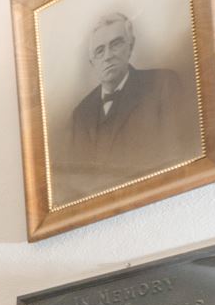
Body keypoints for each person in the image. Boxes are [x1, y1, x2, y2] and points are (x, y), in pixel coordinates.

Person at [55, 11, 200, 201]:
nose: (108, 56)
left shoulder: (163, 85)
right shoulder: (80, 115)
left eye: (115, 45)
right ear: (92, 62)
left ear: (130, 47)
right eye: (100, 50)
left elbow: (180, 158)